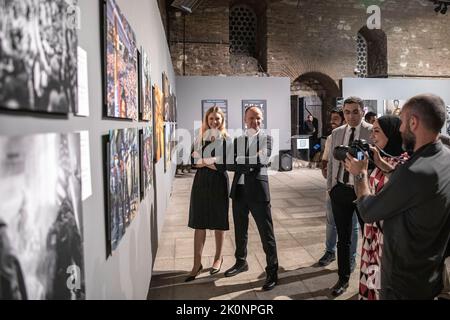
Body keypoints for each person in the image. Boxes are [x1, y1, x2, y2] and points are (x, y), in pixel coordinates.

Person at [350, 94, 450, 299]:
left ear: (413, 122)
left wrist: (359, 173)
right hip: (430, 272)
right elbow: (414, 190)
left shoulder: (413, 171)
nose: (401, 128)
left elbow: (368, 211)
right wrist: (382, 164)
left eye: (403, 122)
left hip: (403, 281)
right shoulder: (444, 156)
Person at [345, 115, 407, 300]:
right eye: (371, 130)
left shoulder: (405, 163)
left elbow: (396, 191)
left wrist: (361, 174)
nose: (372, 135)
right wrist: (358, 173)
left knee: (385, 286)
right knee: (372, 281)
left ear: (392, 134)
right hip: (373, 233)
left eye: (377, 130)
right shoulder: (380, 160)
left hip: (388, 238)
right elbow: (365, 195)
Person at [224, 106, 278, 291]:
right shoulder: (238, 140)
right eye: (251, 118)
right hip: (239, 193)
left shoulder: (267, 138)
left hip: (258, 193)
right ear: (244, 119)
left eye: (258, 118)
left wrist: (243, 161)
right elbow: (229, 164)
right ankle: (241, 262)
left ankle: (272, 271)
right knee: (240, 231)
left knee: (266, 234)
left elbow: (262, 160)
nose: (255, 121)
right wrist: (249, 161)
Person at [327, 96, 373, 296]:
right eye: (347, 112)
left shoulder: (372, 131)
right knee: (343, 238)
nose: (351, 116)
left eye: (355, 111)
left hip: (364, 192)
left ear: (363, 111)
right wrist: (331, 187)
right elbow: (331, 161)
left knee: (369, 238)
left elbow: (374, 162)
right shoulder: (337, 133)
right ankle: (343, 279)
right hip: (340, 190)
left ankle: (371, 280)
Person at [186, 107, 230, 282]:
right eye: (211, 118)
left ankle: (218, 258)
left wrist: (203, 161)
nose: (214, 122)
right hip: (201, 183)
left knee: (219, 222)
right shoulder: (199, 138)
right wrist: (212, 161)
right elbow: (192, 162)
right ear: (207, 119)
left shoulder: (226, 140)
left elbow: (224, 165)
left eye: (217, 119)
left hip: (219, 184)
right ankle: (197, 264)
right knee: (199, 222)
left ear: (222, 120)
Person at [318, 108, 359, 268]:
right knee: (331, 221)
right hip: (335, 188)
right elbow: (325, 161)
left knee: (352, 226)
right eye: (331, 119)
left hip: (354, 189)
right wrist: (330, 184)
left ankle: (351, 259)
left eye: (335, 119)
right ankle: (330, 251)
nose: (331, 122)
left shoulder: (358, 136)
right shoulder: (331, 138)